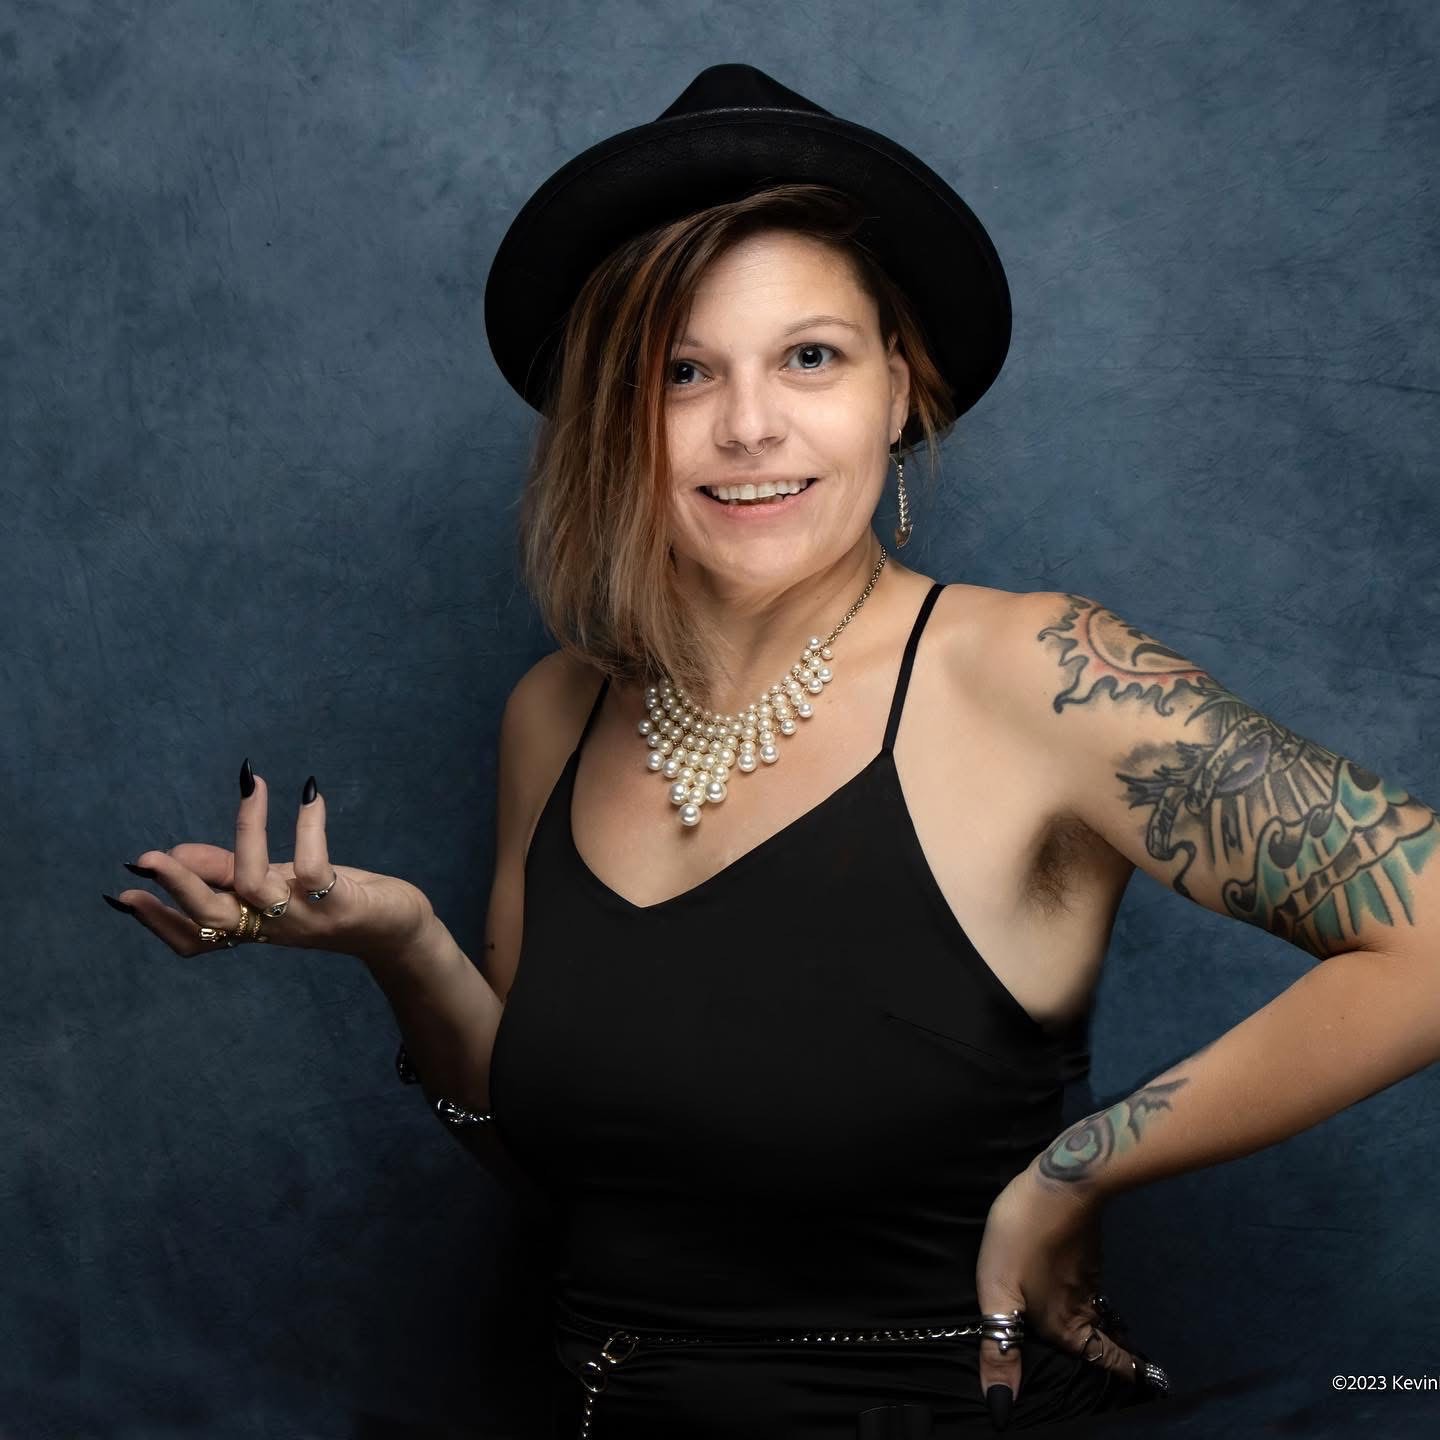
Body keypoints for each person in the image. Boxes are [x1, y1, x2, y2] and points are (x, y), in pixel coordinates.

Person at [103, 64, 1440, 1439]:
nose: (749, 425)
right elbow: (566, 1165)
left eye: (811, 357)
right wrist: (408, 951)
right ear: (614, 417)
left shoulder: (1037, 673)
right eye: (682, 372)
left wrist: (1080, 1170)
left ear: (898, 389)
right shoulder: (554, 713)